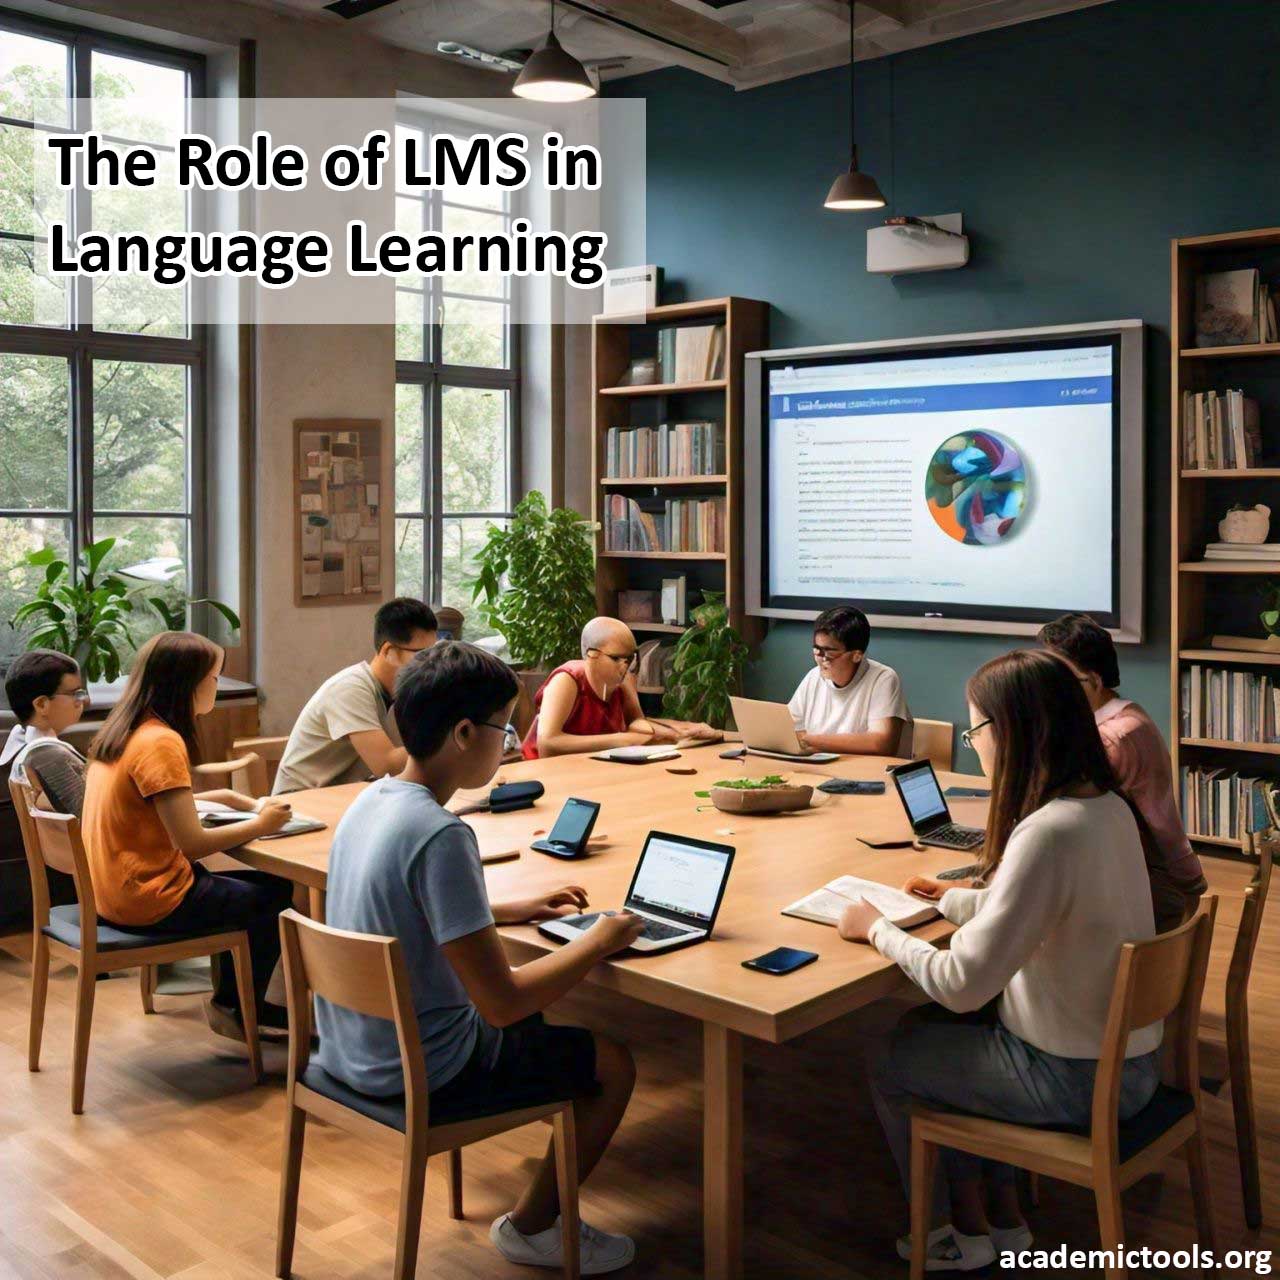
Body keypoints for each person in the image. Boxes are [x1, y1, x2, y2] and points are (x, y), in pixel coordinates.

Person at [317, 641, 643, 1273]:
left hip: (348, 1050)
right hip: (423, 1066)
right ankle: (532, 1226)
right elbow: (502, 1003)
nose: (512, 740)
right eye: (505, 727)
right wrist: (598, 939)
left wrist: (507, 912)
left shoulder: (372, 800)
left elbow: (401, 904)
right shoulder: (442, 833)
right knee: (614, 1063)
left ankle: (539, 1212)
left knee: (543, 1032)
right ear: (465, 733)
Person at [839, 650, 1162, 1272]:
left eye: (976, 731)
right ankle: (998, 1221)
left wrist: (876, 928)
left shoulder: (1046, 831)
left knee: (893, 1054)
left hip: (1077, 1080)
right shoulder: (1105, 807)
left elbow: (958, 984)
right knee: (939, 1042)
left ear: (1012, 733)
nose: (975, 745)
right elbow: (1046, 906)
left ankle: (947, 1234)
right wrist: (958, 899)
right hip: (1129, 1061)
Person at [82, 631, 295, 1040]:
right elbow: (192, 844)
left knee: (261, 887)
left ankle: (236, 1002)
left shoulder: (125, 731)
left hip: (110, 893)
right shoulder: (162, 741)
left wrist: (225, 797)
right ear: (189, 684)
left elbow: (152, 802)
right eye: (214, 677)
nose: (216, 685)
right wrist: (262, 823)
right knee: (273, 895)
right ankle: (240, 1008)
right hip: (152, 897)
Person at [1038, 612, 1207, 931]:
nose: (1050, 689)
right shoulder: (1123, 713)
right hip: (1154, 872)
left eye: (1060, 679)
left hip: (1153, 886)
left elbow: (1057, 806)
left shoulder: (1114, 738)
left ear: (1095, 681)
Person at [273, 597, 438, 794]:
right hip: (298, 805)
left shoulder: (400, 691)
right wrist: (447, 744)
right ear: (389, 651)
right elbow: (387, 765)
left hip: (342, 797)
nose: (432, 664)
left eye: (435, 654)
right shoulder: (350, 688)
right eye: (422, 655)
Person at [522, 615, 715, 760]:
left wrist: (680, 732)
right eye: (616, 659)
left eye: (629, 659)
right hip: (548, 772)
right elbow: (547, 743)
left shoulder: (623, 681)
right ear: (592, 655)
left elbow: (637, 723)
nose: (625, 667)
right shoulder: (567, 680)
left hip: (593, 767)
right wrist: (623, 740)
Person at [788, 605, 912, 756]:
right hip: (822, 769)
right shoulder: (813, 677)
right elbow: (789, 730)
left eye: (829, 652)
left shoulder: (883, 678)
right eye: (817, 650)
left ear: (857, 655)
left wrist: (810, 740)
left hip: (868, 772)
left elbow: (881, 743)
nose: (821, 659)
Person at [2, 649, 90, 813]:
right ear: (41, 704)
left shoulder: (29, 747)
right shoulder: (47, 756)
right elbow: (92, 813)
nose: (83, 700)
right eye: (75, 694)